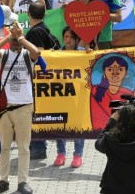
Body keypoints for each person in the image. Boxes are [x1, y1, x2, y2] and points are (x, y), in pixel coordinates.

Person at [0, 22, 40, 194]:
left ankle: (22, 182)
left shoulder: (27, 55)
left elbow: (37, 52)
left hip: (24, 106)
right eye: (14, 36)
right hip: (5, 108)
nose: (15, 40)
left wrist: (21, 38)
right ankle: (3, 180)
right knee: (4, 147)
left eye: (17, 36)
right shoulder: (3, 55)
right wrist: (8, 37)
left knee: (24, 147)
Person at [53, 28, 86, 168]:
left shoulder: (82, 53)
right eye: (65, 36)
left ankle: (78, 154)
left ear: (76, 39)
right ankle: (61, 153)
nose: (67, 40)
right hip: (61, 95)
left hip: (78, 96)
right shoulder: (57, 54)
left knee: (78, 124)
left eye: (71, 37)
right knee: (60, 123)